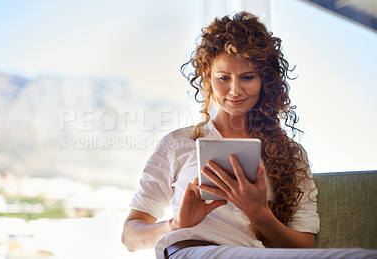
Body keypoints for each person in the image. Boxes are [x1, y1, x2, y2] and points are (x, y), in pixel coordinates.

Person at [122, 11, 320, 258]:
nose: (235, 90)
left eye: (247, 77)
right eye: (224, 78)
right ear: (207, 78)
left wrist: (259, 214)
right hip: (191, 251)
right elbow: (130, 237)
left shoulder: (291, 154)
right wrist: (176, 224)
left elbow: (305, 249)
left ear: (265, 81)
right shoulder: (178, 144)